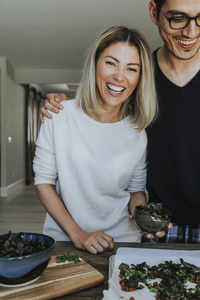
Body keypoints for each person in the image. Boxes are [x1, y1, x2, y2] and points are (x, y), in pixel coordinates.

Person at [41, 0, 200, 244]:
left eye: (130, 69)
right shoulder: (141, 80)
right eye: (178, 18)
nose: (191, 31)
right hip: (159, 226)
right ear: (154, 12)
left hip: (132, 228)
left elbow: (135, 187)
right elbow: (101, 108)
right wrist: (59, 105)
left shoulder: (136, 117)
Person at [33, 25, 160, 255]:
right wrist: (78, 234)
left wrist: (146, 218)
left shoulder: (137, 131)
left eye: (132, 68)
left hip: (123, 241)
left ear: (140, 78)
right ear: (95, 64)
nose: (119, 76)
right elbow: (43, 183)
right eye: (111, 63)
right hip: (65, 239)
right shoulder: (58, 115)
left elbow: (135, 191)